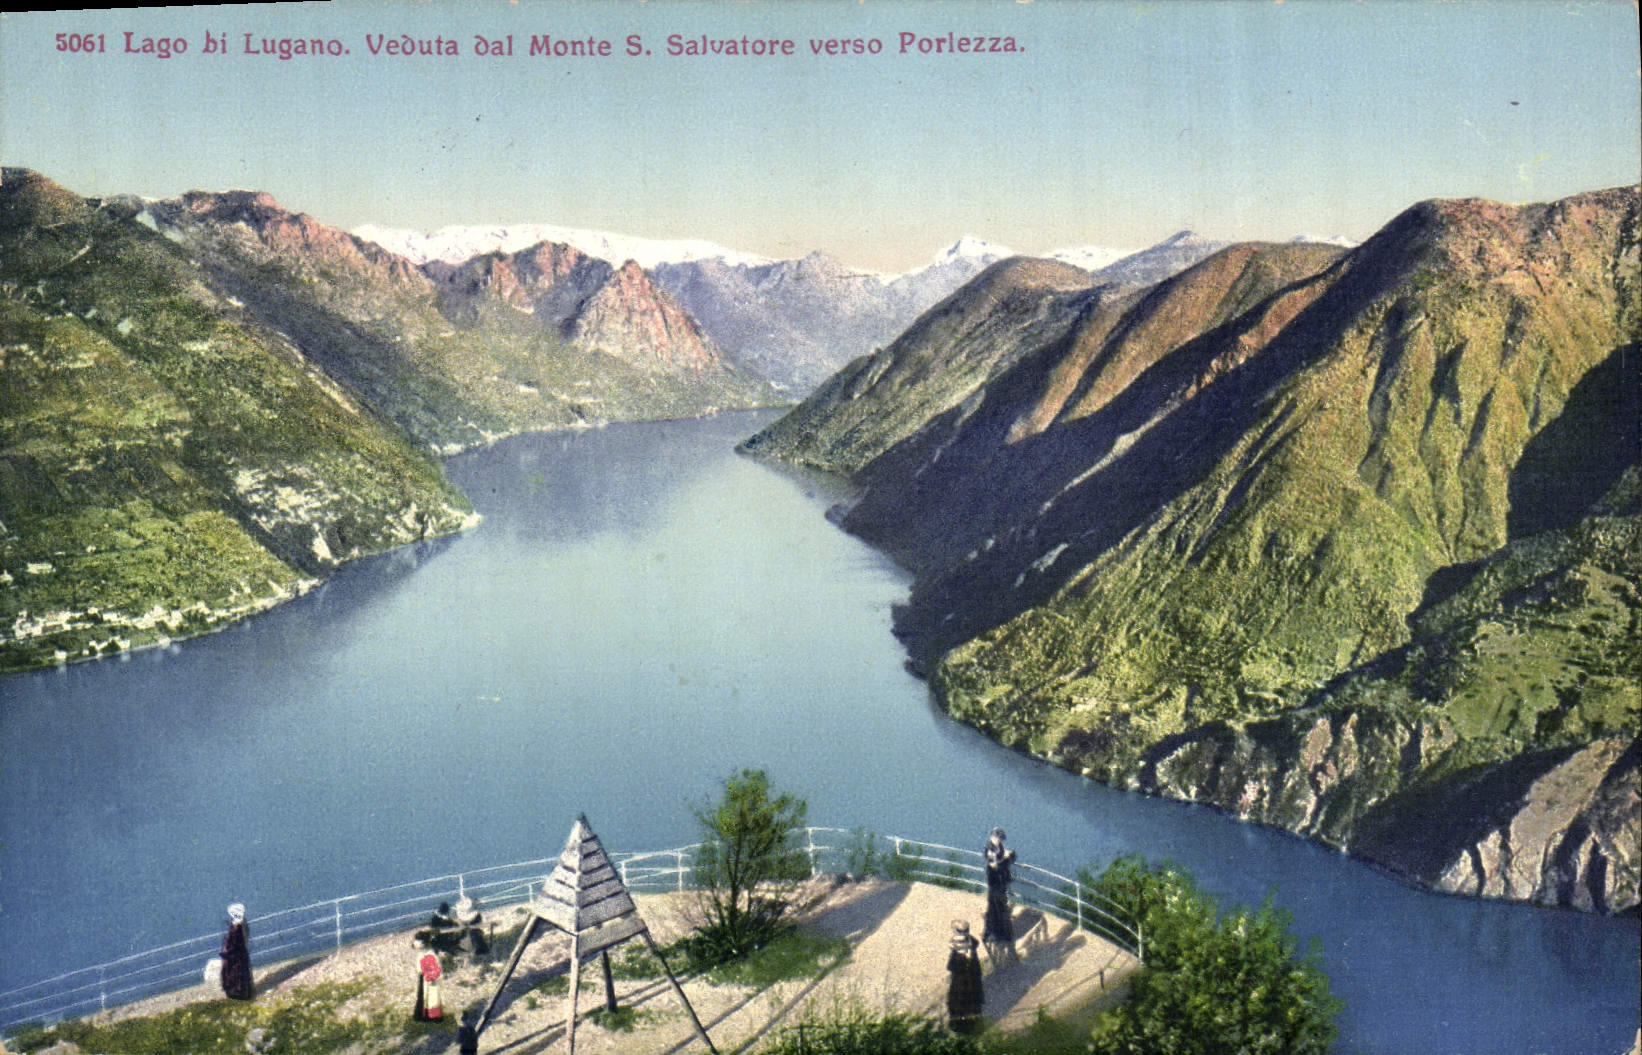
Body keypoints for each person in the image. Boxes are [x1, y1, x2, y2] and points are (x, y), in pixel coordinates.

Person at [982, 828, 1016, 963]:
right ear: (993, 837)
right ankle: (995, 934)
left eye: (1000, 839)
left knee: (1001, 907)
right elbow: (993, 865)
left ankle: (1000, 933)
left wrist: (1006, 856)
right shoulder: (989, 849)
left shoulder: (999, 847)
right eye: (998, 838)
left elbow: (999, 860)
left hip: (1001, 882)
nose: (999, 841)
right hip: (994, 883)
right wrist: (1005, 859)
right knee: (995, 908)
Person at [945, 919, 984, 1035]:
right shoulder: (972, 948)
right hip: (974, 981)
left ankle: (962, 1029)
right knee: (973, 1003)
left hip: (961, 984)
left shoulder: (958, 956)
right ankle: (974, 1026)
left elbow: (951, 966)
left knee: (959, 1005)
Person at [220, 902, 254, 1000]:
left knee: (235, 973)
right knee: (241, 971)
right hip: (239, 955)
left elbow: (231, 945)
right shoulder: (241, 926)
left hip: (234, 957)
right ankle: (243, 991)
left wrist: (225, 952)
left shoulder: (236, 929)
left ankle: (238, 992)